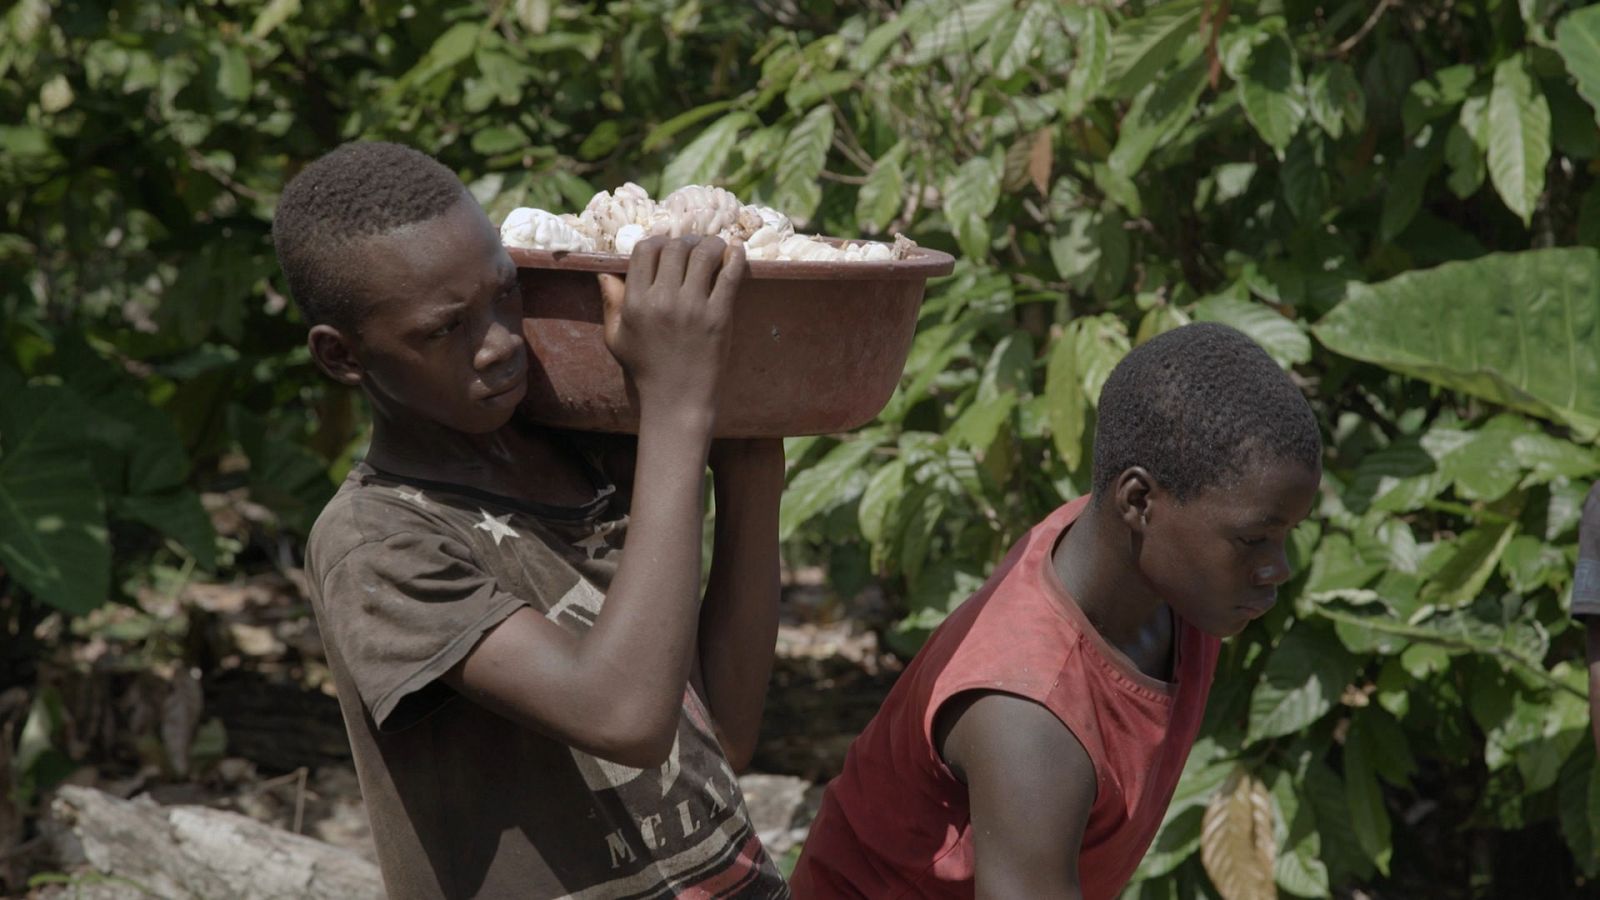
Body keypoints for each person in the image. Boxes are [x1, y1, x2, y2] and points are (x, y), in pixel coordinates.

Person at [273, 141, 790, 899]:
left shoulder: (579, 449)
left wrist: (750, 470)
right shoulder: (377, 542)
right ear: (341, 356)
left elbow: (721, 738)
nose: (501, 343)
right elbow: (625, 718)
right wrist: (679, 407)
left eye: (506, 295)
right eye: (444, 330)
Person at [790, 322, 1324, 900]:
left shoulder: (1155, 571)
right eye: (1253, 541)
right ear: (1139, 502)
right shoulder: (1031, 717)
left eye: (1288, 534)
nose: (1280, 568)